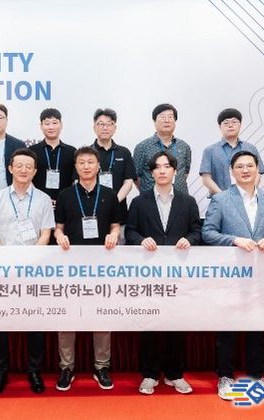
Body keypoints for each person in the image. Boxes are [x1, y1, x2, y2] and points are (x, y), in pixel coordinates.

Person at [201, 150, 264, 401]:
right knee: (227, 328)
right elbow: (208, 233)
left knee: (257, 328)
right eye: (240, 166)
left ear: (257, 169)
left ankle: (257, 377)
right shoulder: (221, 199)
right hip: (231, 275)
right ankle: (225, 377)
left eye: (250, 165)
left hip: (261, 276)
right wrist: (234, 240)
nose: (245, 170)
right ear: (232, 171)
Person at [125, 151, 201, 395]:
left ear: (175, 171)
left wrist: (190, 240)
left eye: (166, 166)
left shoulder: (188, 201)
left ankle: (175, 374)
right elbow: (130, 231)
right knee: (150, 324)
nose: (162, 171)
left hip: (179, 273)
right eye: (157, 167)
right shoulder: (139, 202)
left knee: (176, 325)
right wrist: (141, 240)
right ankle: (149, 374)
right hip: (149, 273)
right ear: (151, 173)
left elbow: (197, 230)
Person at [0, 148, 55, 396]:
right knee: (0, 322)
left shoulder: (44, 200)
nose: (24, 170)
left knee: (35, 322)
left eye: (29, 166)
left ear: (35, 171)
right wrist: (7, 261)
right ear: (10, 168)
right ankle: (0, 372)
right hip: (4, 270)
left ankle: (34, 371)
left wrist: (30, 261)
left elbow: (46, 234)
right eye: (19, 165)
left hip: (34, 270)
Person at [54, 146, 121, 391]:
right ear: (75, 166)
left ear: (98, 166)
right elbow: (58, 227)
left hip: (102, 265)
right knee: (67, 317)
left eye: (90, 162)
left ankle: (101, 366)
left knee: (101, 316)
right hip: (71, 265)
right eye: (81, 162)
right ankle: (66, 367)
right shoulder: (65, 195)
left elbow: (116, 225)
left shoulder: (110, 195)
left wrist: (114, 235)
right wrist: (59, 237)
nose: (86, 166)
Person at [92, 108, 136, 242]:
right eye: (101, 124)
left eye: (109, 124)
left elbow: (128, 182)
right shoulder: (87, 153)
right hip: (93, 214)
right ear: (94, 127)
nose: (105, 127)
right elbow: (79, 182)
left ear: (115, 128)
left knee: (119, 251)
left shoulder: (124, 152)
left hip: (118, 214)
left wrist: (114, 201)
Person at [200, 108, 264, 196]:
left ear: (240, 125)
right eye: (226, 123)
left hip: (248, 198)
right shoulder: (210, 150)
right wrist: (224, 197)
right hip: (220, 199)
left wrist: (248, 193)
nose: (230, 125)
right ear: (220, 126)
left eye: (234, 122)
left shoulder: (250, 148)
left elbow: (258, 172)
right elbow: (206, 178)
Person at [133, 103, 191, 194]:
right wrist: (148, 194)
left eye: (170, 117)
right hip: (151, 200)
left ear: (175, 121)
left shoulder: (184, 146)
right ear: (154, 121)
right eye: (162, 117)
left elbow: (185, 173)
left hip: (180, 199)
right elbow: (136, 176)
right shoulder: (142, 147)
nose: (166, 120)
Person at [28, 108, 76, 205]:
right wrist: (40, 199)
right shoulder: (32, 151)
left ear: (61, 125)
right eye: (47, 123)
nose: (51, 127)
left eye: (54, 123)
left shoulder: (72, 151)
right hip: (37, 203)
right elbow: (27, 178)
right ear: (41, 126)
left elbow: (75, 180)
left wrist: (65, 199)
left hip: (66, 203)